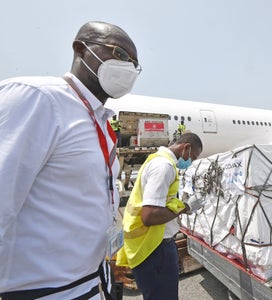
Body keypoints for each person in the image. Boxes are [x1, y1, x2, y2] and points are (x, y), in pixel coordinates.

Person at [0, 21, 141, 299]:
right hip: (42, 291)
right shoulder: (38, 98)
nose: (128, 68)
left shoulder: (98, 119)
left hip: (92, 284)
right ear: (81, 49)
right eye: (120, 54)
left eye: (135, 64)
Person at [116, 132, 204, 300]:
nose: (190, 162)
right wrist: (185, 207)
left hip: (149, 244)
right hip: (156, 247)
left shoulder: (156, 160)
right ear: (186, 147)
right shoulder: (164, 166)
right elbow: (150, 216)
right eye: (192, 157)